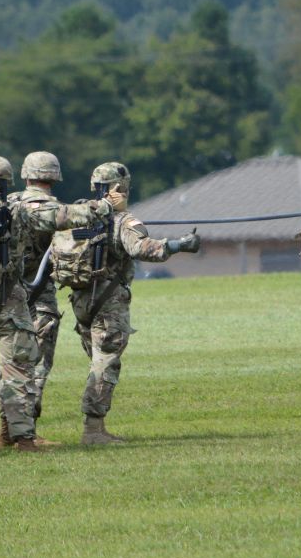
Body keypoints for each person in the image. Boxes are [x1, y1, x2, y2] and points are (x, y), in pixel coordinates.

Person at [0, 155, 122, 453]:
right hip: (10, 300)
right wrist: (105, 206)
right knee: (18, 370)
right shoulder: (19, 211)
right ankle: (23, 438)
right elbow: (62, 217)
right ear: (7, 181)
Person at [53, 162, 200, 445]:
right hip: (108, 304)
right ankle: (93, 431)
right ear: (120, 188)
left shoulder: (78, 214)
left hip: (81, 300)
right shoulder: (123, 221)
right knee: (105, 365)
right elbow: (142, 248)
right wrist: (180, 245)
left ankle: (96, 428)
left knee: (97, 363)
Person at [0, 151, 67, 448]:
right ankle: (27, 432)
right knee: (35, 364)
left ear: (26, 176)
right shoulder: (57, 209)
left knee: (10, 363)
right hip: (39, 295)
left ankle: (5, 429)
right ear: (54, 177)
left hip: (4, 292)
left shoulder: (7, 204)